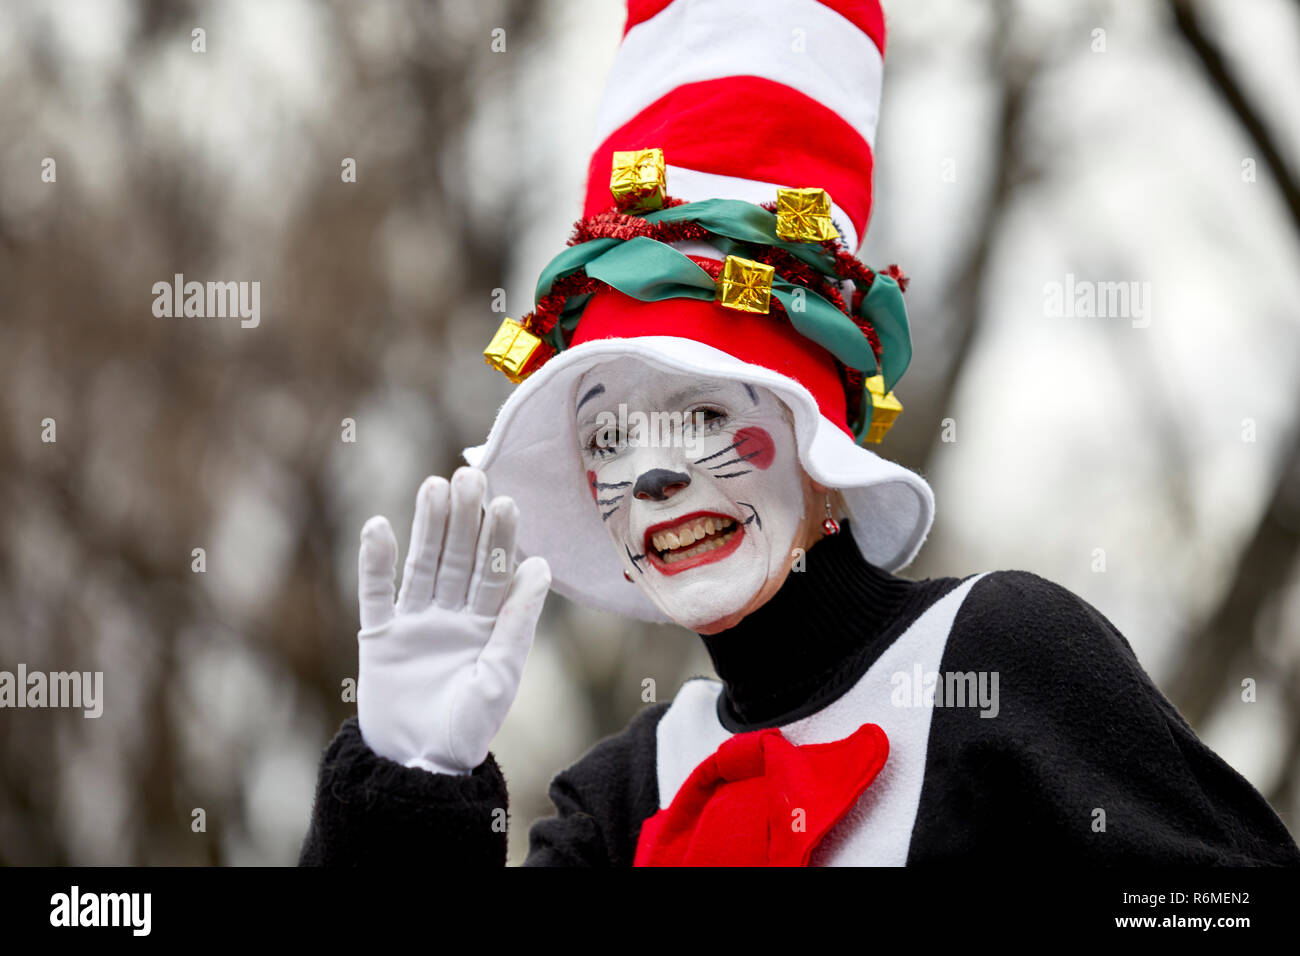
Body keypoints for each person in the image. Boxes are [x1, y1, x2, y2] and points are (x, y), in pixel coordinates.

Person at [298, 0, 1300, 866]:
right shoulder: (625, 797)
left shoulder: (996, 654)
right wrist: (407, 787)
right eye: (605, 437)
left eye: (700, 413)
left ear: (816, 438)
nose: (649, 477)